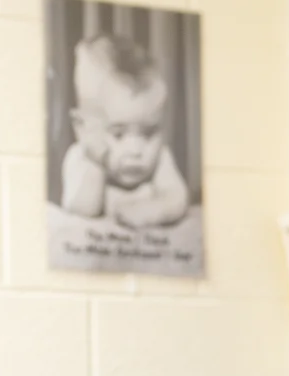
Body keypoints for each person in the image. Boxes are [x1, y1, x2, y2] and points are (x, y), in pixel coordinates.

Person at [59, 31, 192, 229]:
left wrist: (151, 211)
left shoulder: (160, 159)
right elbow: (83, 209)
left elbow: (178, 199)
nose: (136, 150)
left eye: (148, 133)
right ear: (82, 128)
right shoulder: (80, 157)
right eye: (118, 134)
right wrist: (97, 161)